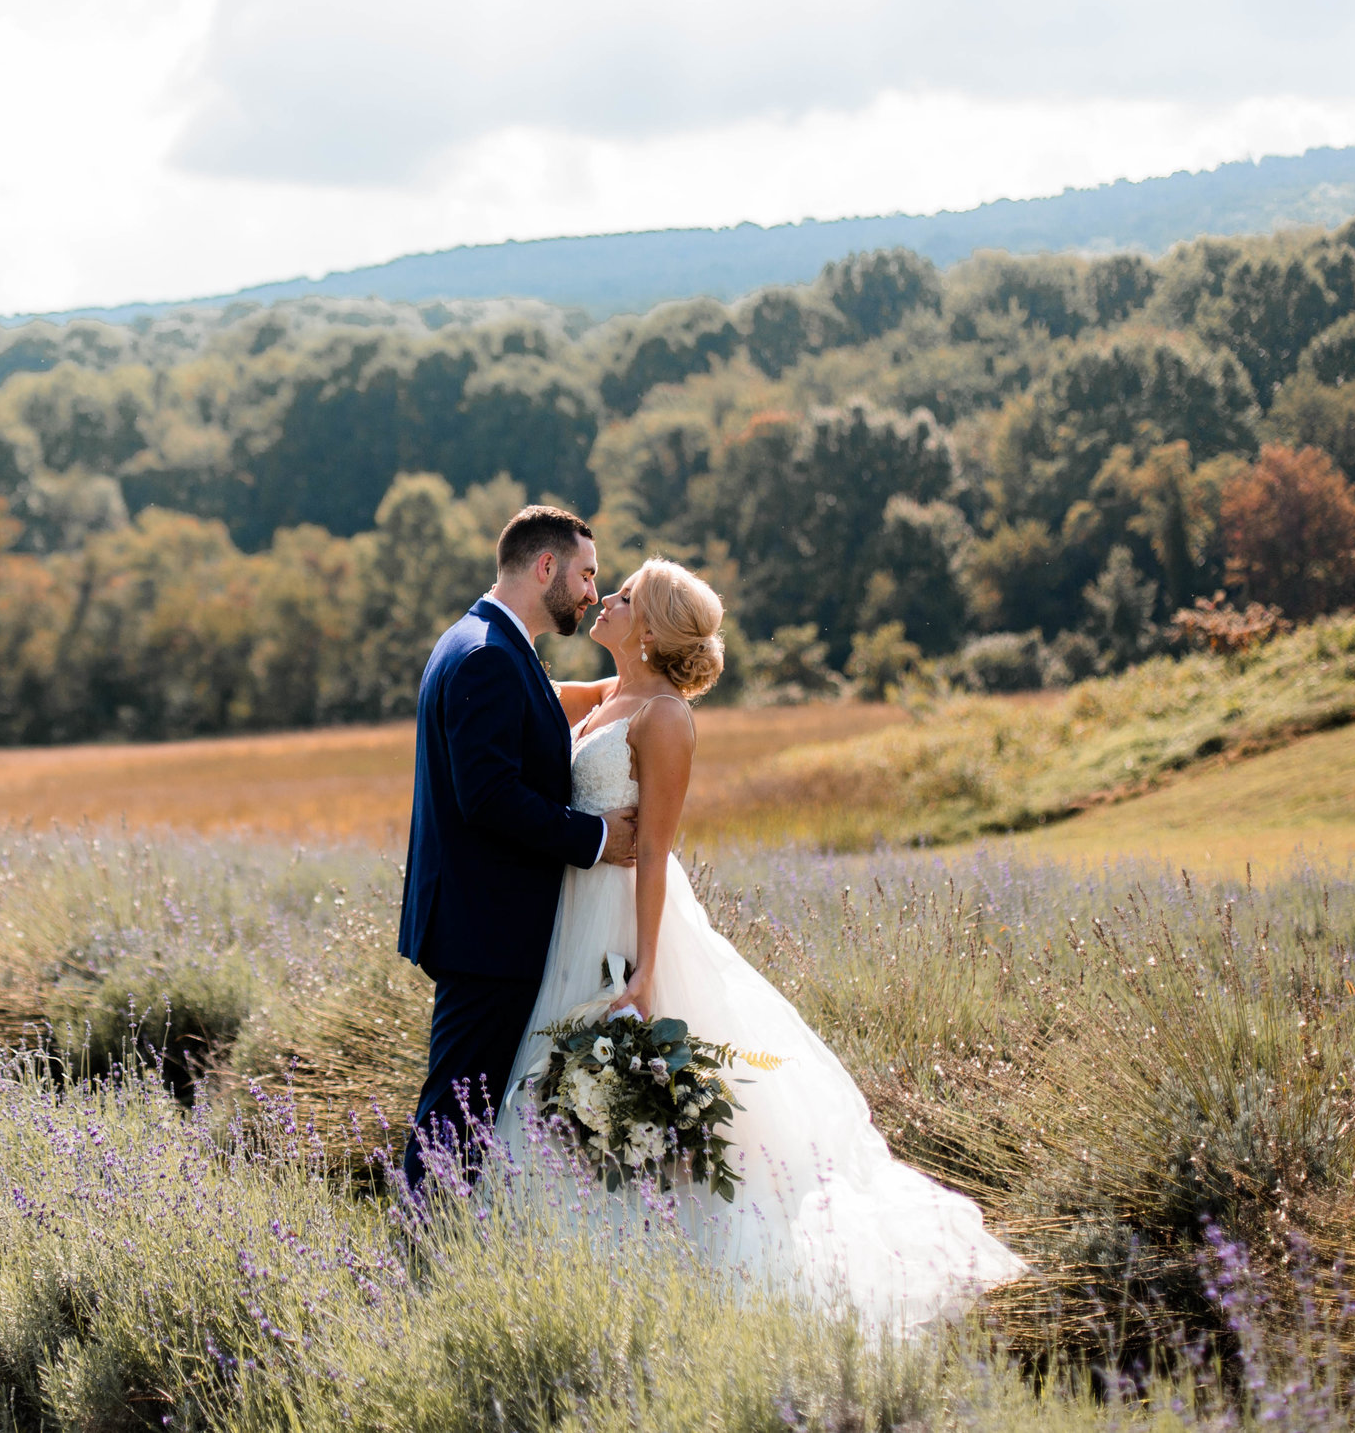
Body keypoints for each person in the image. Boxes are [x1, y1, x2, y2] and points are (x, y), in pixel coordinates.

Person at [493, 557, 1026, 1329]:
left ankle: (666, 1267)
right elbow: (516, 694)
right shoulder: (611, 693)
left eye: (624, 594)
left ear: (648, 628)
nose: (604, 599)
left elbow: (656, 853)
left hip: (624, 917)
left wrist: (645, 970)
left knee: (633, 1089)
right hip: (569, 911)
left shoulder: (665, 717)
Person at [398, 505, 639, 1193]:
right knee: (454, 1113)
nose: (593, 591)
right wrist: (594, 837)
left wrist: (640, 685)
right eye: (587, 573)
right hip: (488, 928)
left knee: (466, 1110)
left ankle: (436, 1255)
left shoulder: (484, 642)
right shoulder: (487, 658)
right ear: (546, 567)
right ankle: (419, 1265)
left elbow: (536, 715)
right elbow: (491, 796)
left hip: (481, 923)